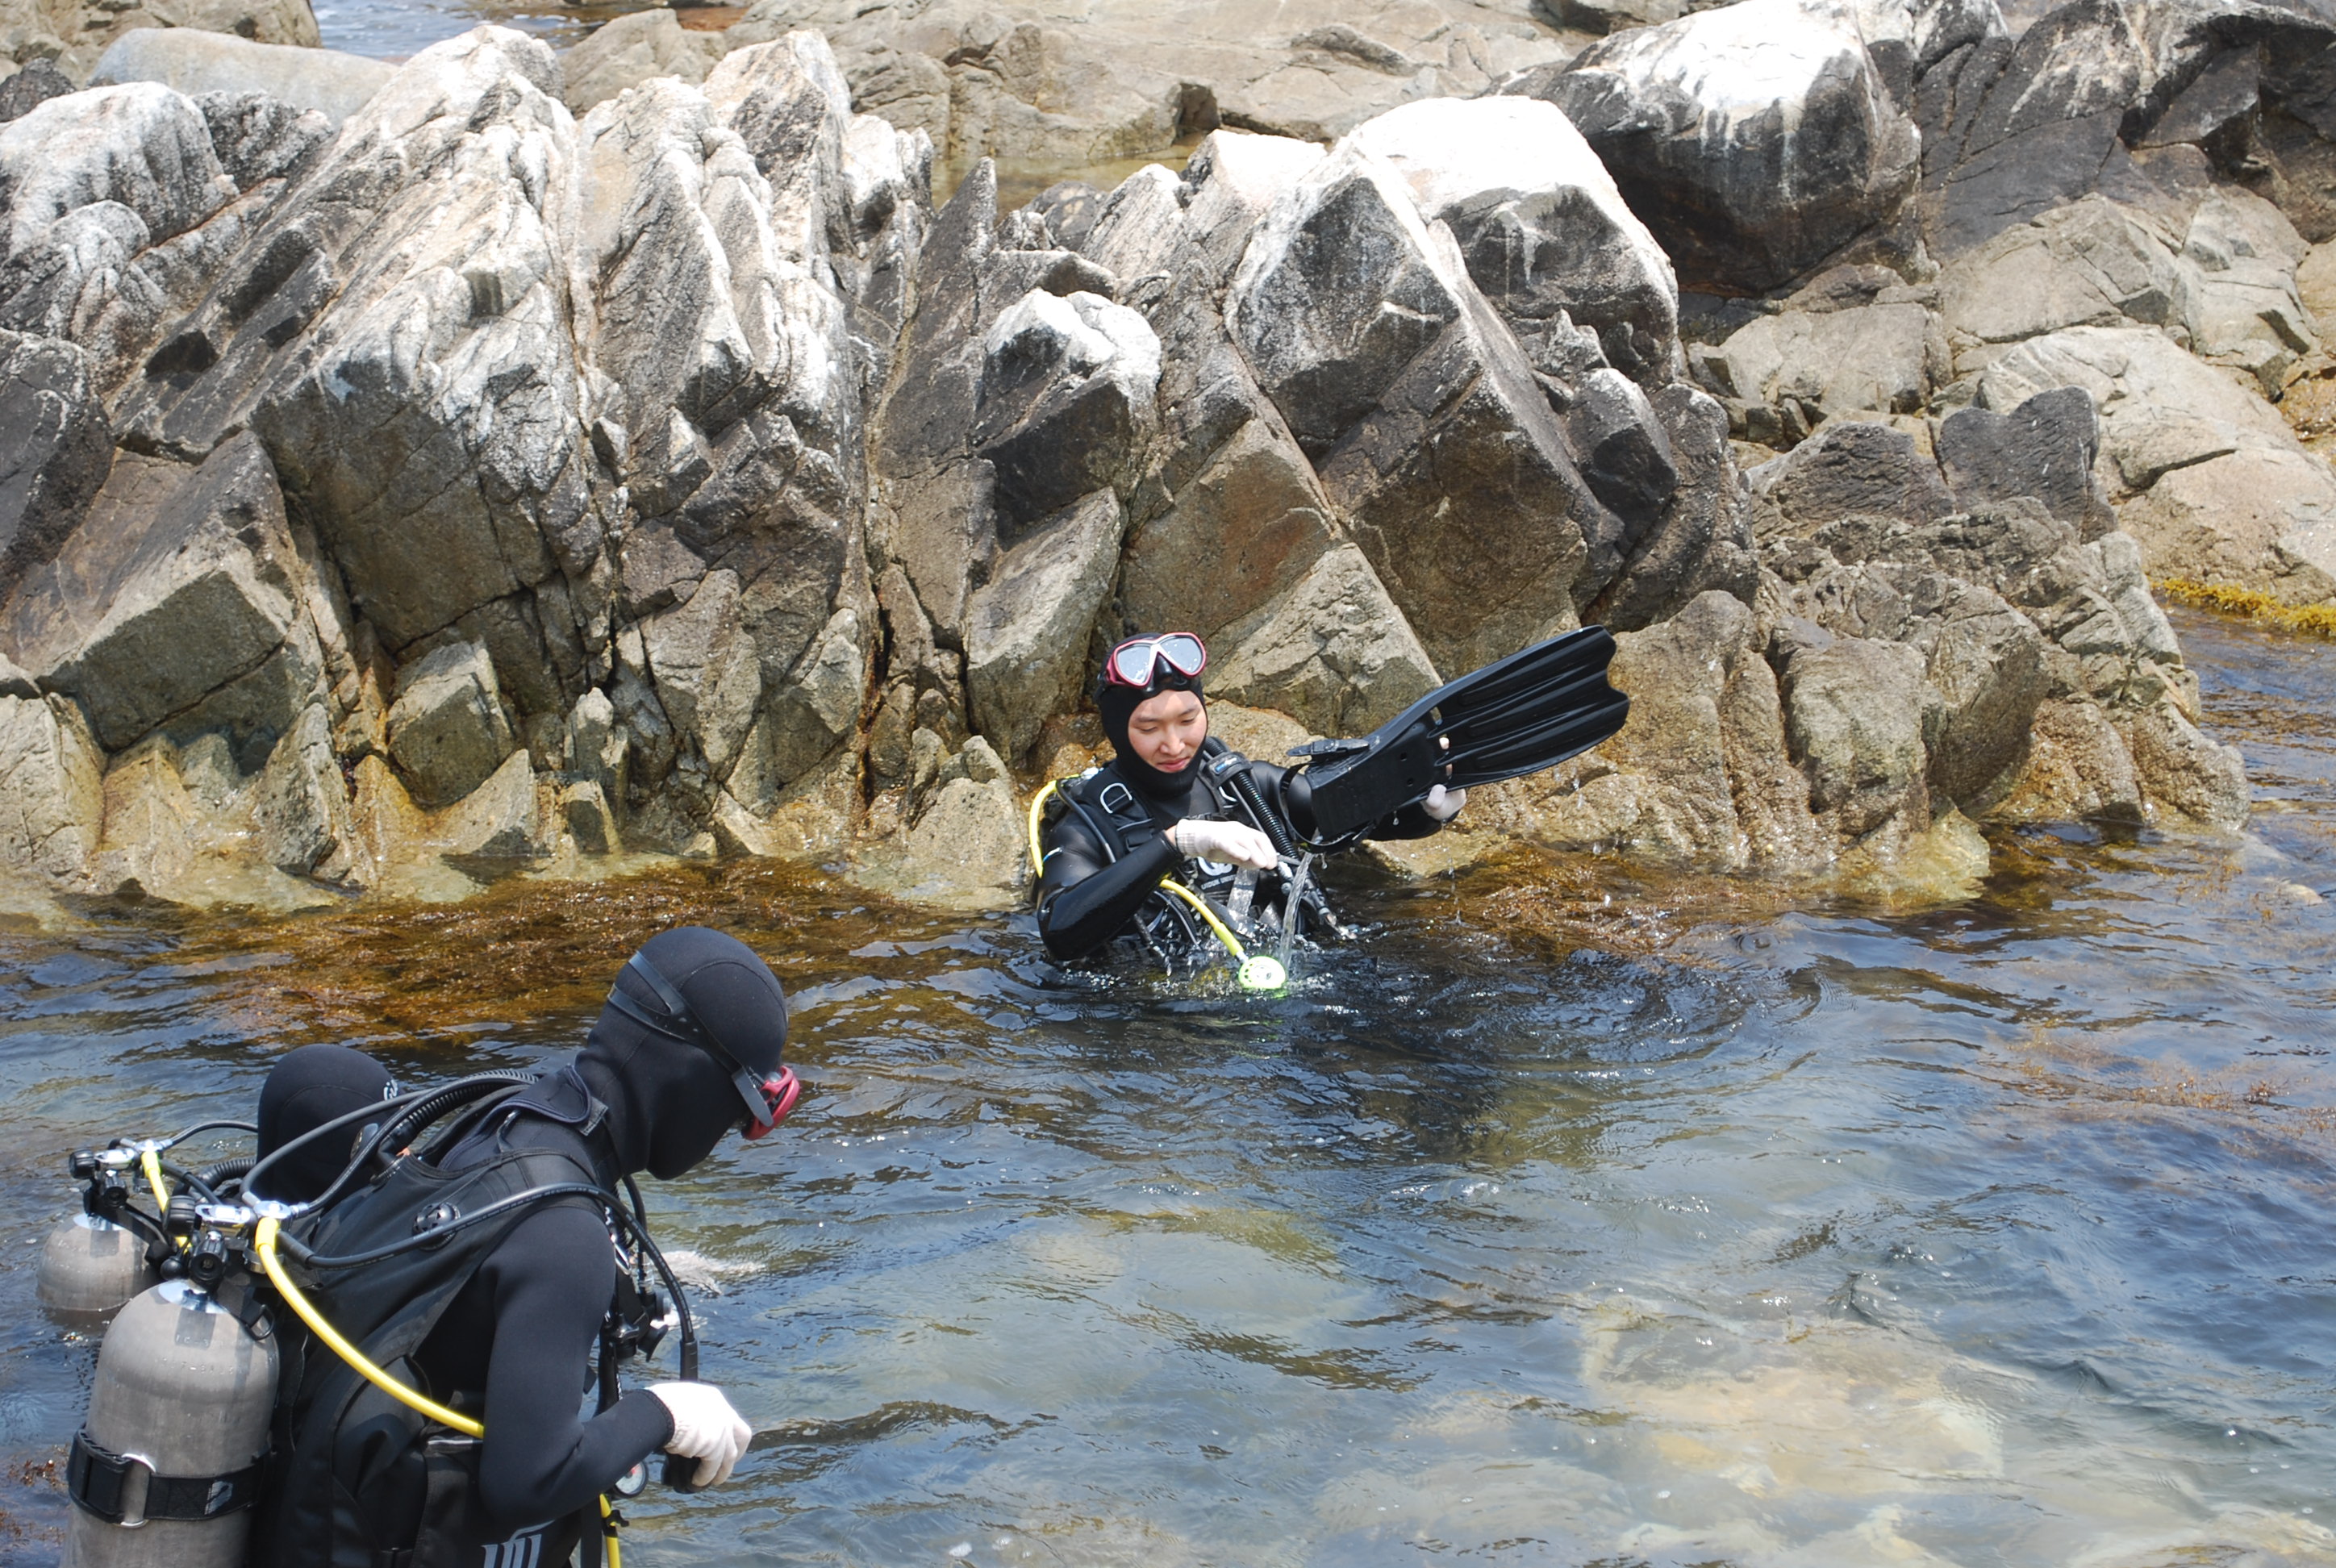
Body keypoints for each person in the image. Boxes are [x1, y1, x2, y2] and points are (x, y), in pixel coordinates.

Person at [258, 926, 798, 1568]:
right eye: (740, 1111)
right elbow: (529, 1483)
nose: (734, 1131)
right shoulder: (564, 1231)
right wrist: (664, 1414)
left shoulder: (506, 1115)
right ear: (692, 1078)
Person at [1035, 632, 1466, 965]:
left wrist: (1427, 810)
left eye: (1188, 719)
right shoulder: (1087, 826)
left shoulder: (1245, 786)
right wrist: (1175, 843)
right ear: (1117, 730)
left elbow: (1349, 813)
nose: (1174, 744)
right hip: (1158, 1024)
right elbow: (1059, 932)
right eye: (1149, 729)